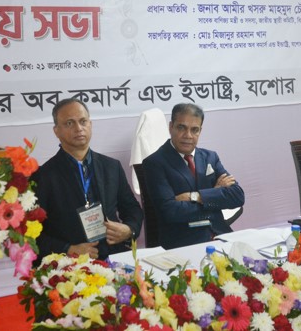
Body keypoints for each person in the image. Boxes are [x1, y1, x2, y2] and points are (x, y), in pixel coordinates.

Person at [32, 98, 143, 261]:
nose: (79, 128)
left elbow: (133, 209)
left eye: (83, 121)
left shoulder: (111, 167)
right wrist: (68, 249)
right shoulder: (43, 176)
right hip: (68, 265)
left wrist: (129, 230)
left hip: (114, 259)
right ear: (56, 131)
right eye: (69, 123)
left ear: (90, 124)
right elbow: (33, 233)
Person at [142, 103, 244, 249]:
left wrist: (195, 196)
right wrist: (215, 196)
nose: (188, 135)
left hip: (221, 235)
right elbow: (170, 211)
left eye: (194, 130)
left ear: (200, 131)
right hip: (185, 243)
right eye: (181, 128)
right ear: (171, 127)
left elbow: (237, 196)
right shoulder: (155, 163)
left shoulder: (210, 157)